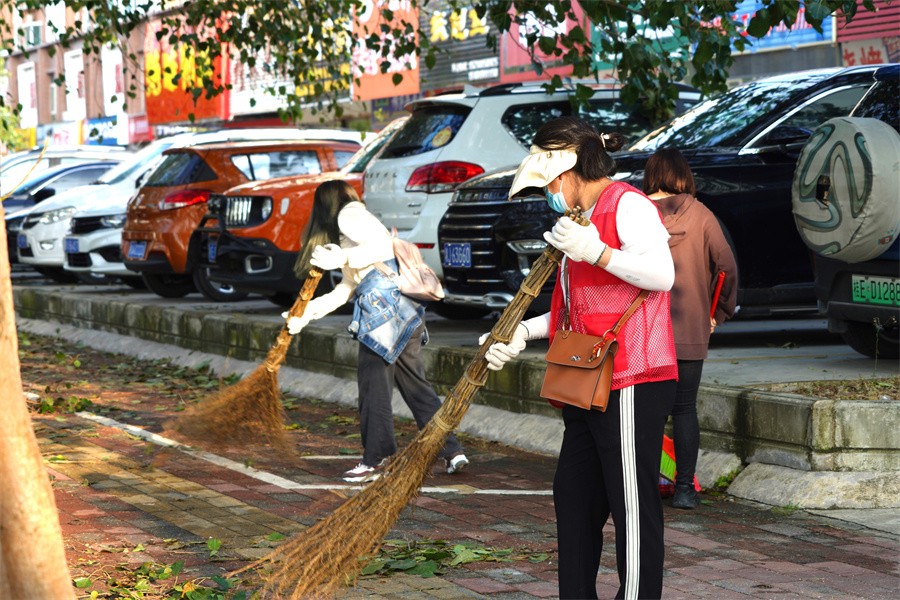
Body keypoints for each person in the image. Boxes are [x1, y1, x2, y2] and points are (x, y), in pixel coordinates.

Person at [482, 116, 678, 599]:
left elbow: (662, 276)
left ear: (568, 171)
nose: (548, 193)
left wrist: (597, 252)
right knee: (573, 498)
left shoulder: (627, 205)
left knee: (631, 506)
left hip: (632, 378)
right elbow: (576, 309)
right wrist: (522, 332)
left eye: (549, 183)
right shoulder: (578, 223)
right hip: (587, 378)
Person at [284, 180, 468, 482]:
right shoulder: (355, 224)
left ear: (324, 203)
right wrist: (306, 314)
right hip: (405, 311)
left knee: (373, 388)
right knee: (416, 388)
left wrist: (342, 258)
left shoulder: (349, 215)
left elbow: (380, 248)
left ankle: (375, 459)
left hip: (383, 314)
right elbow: (347, 288)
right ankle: (452, 450)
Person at [642, 148, 738, 509]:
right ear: (684, 176)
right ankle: (684, 489)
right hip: (689, 328)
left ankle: (644, 486)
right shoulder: (700, 214)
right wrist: (716, 312)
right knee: (684, 408)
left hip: (643, 332)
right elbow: (726, 265)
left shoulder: (636, 211)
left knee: (647, 411)